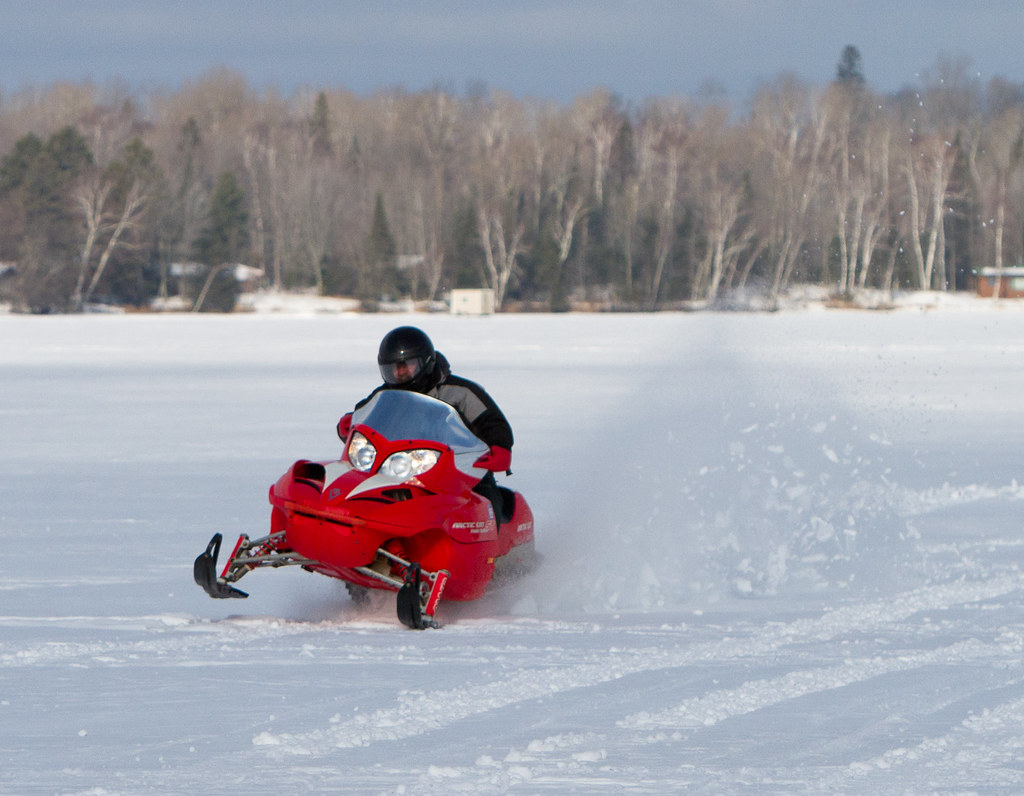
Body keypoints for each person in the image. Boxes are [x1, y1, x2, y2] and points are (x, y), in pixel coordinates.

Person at [336, 326, 514, 519]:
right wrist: (349, 424)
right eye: (393, 367)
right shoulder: (385, 395)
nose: (400, 372)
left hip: (459, 470)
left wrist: (500, 446)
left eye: (406, 365)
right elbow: (366, 415)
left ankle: (490, 543)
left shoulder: (460, 391)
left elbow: (493, 421)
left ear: (425, 362)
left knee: (487, 504)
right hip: (399, 467)